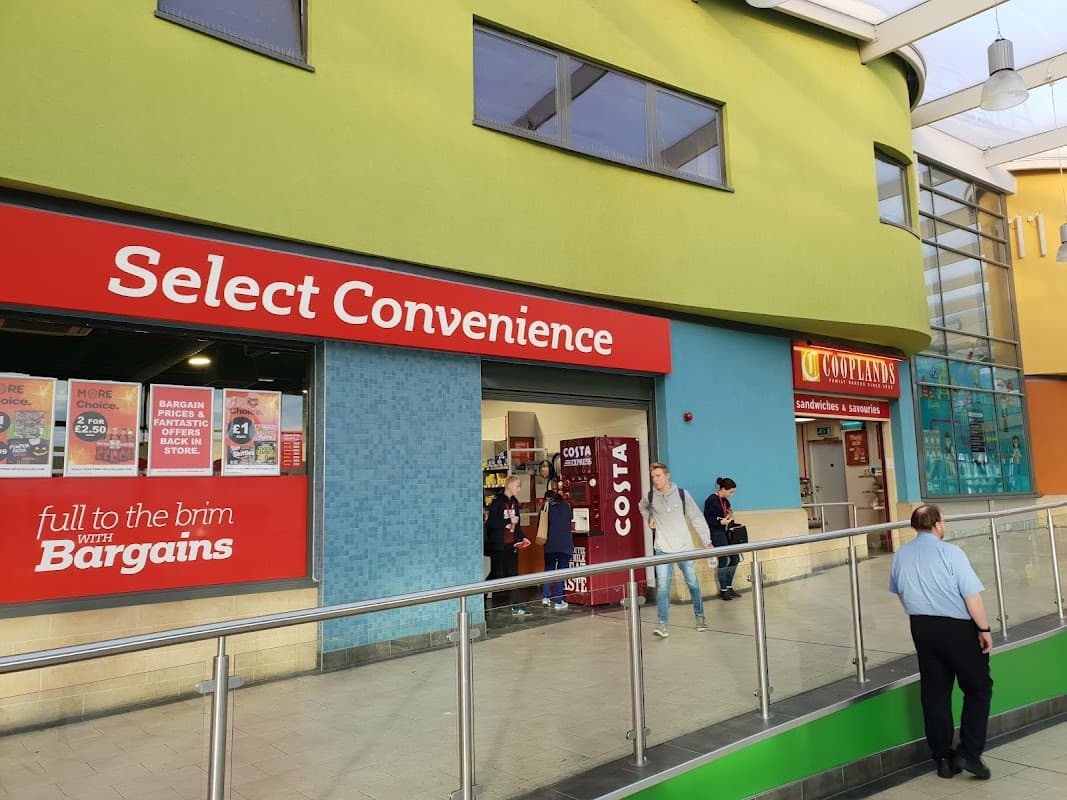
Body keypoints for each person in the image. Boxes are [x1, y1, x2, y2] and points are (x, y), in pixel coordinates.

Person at [889, 504, 994, 780]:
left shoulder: (901, 554)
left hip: (921, 627)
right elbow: (972, 596)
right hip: (957, 629)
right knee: (979, 687)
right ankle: (969, 754)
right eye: (943, 522)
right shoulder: (951, 553)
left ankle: (943, 759)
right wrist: (984, 629)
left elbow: (900, 592)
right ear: (936, 525)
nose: (943, 526)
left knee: (935, 694)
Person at [638, 462, 714, 638]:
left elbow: (696, 517)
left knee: (693, 583)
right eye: (653, 477)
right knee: (663, 588)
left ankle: (700, 617)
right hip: (662, 549)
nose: (655, 480)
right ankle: (663, 624)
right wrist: (649, 518)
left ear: (667, 475)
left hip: (684, 549)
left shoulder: (682, 495)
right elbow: (641, 506)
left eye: (658, 476)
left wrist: (707, 541)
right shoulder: (650, 497)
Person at [484, 475, 532, 616]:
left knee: (513, 574)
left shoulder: (515, 502)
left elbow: (517, 524)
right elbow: (490, 524)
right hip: (498, 545)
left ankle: (516, 605)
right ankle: (481, 596)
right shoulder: (497, 502)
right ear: (510, 486)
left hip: (511, 544)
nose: (519, 489)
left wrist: (522, 537)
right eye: (517, 486)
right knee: (496, 573)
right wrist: (506, 522)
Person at [703, 477, 740, 601]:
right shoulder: (711, 500)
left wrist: (730, 516)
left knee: (735, 558)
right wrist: (720, 521)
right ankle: (723, 590)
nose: (732, 495)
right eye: (731, 492)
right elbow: (708, 519)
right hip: (717, 533)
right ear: (723, 489)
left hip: (727, 532)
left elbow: (728, 512)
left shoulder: (726, 501)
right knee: (723, 559)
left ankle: (729, 586)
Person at [539, 490, 574, 610]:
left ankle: (545, 597)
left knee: (549, 569)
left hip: (550, 545)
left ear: (547, 499)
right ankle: (559, 601)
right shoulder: (566, 506)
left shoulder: (545, 507)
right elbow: (569, 521)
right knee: (561, 572)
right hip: (565, 544)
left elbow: (540, 525)